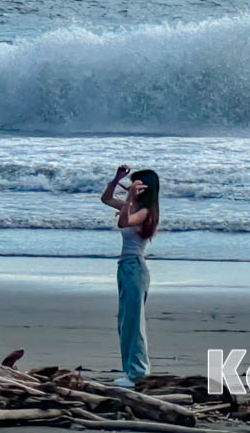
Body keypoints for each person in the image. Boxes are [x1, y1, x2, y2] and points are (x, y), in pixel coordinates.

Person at [101, 164, 160, 388]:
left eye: (136, 184)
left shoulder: (145, 212)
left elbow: (122, 222)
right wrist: (117, 179)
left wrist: (129, 198)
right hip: (125, 267)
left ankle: (138, 374)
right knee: (125, 322)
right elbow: (106, 199)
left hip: (135, 268)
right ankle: (131, 370)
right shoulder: (133, 206)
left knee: (133, 323)